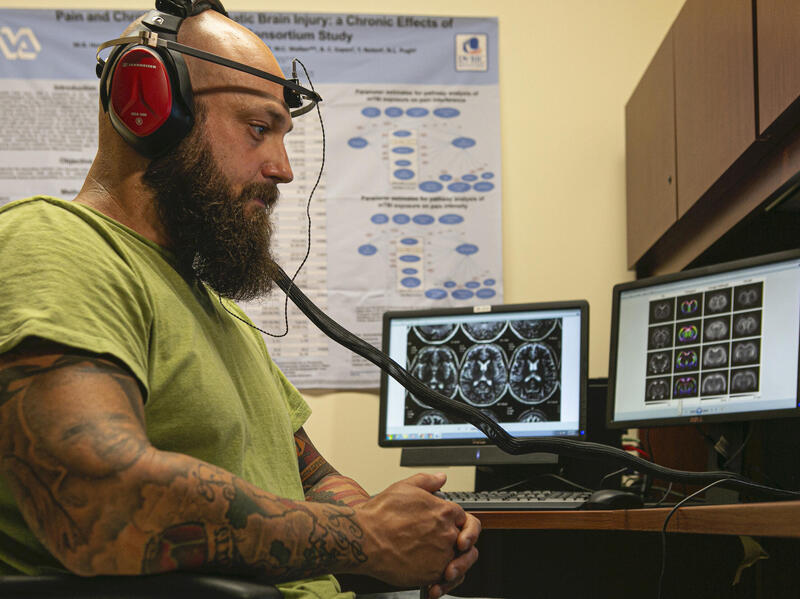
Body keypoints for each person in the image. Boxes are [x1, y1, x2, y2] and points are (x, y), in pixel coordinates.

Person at [0, 5, 481, 599]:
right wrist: (367, 537)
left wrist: (411, 533)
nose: (282, 169)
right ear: (146, 108)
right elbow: (98, 500)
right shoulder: (56, 246)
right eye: (259, 128)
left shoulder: (222, 316)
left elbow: (315, 480)